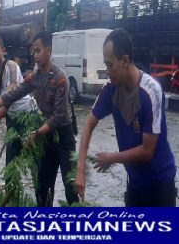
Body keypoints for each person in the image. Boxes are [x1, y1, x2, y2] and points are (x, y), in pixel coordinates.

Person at [0, 31, 79, 206]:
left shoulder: (61, 79)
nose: (34, 56)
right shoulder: (34, 77)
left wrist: (36, 133)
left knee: (70, 189)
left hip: (63, 137)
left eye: (38, 51)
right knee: (43, 186)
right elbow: (12, 95)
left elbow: (59, 117)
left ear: (48, 50)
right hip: (47, 137)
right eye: (33, 51)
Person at [75, 28, 177, 207]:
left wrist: (112, 157)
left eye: (110, 65)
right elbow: (89, 124)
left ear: (125, 61)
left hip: (160, 185)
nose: (107, 71)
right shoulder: (111, 89)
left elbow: (147, 151)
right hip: (135, 184)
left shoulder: (151, 91)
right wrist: (81, 169)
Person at [0, 35, 36, 165]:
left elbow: (9, 99)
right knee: (11, 163)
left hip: (28, 117)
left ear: (3, 51)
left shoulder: (12, 67)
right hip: (12, 120)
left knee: (34, 160)